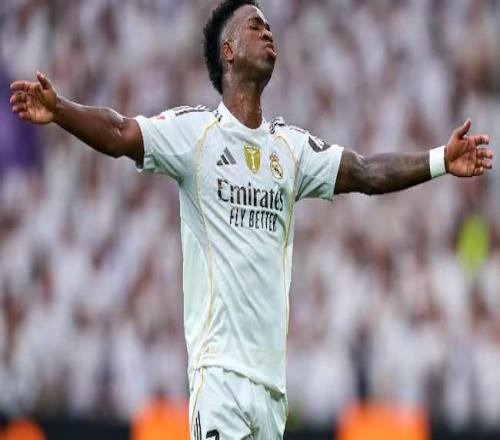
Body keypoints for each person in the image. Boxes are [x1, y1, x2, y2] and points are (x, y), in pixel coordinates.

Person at [9, 0, 493, 438]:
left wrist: (439, 160)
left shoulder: (291, 149)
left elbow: (365, 171)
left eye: (269, 26)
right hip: (220, 379)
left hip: (271, 393)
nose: (268, 32)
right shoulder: (195, 135)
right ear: (228, 51)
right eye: (255, 26)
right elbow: (119, 133)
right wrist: (61, 110)